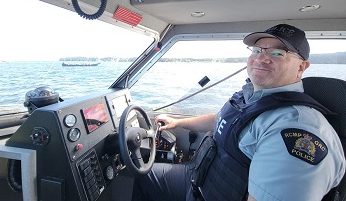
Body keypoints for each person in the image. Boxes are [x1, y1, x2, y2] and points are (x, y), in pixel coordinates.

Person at [131, 24, 346, 201]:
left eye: (277, 53)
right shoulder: (253, 96)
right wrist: (178, 122)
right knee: (145, 176)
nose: (261, 58)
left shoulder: (296, 129)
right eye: (257, 50)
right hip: (200, 179)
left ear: (302, 67)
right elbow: (222, 119)